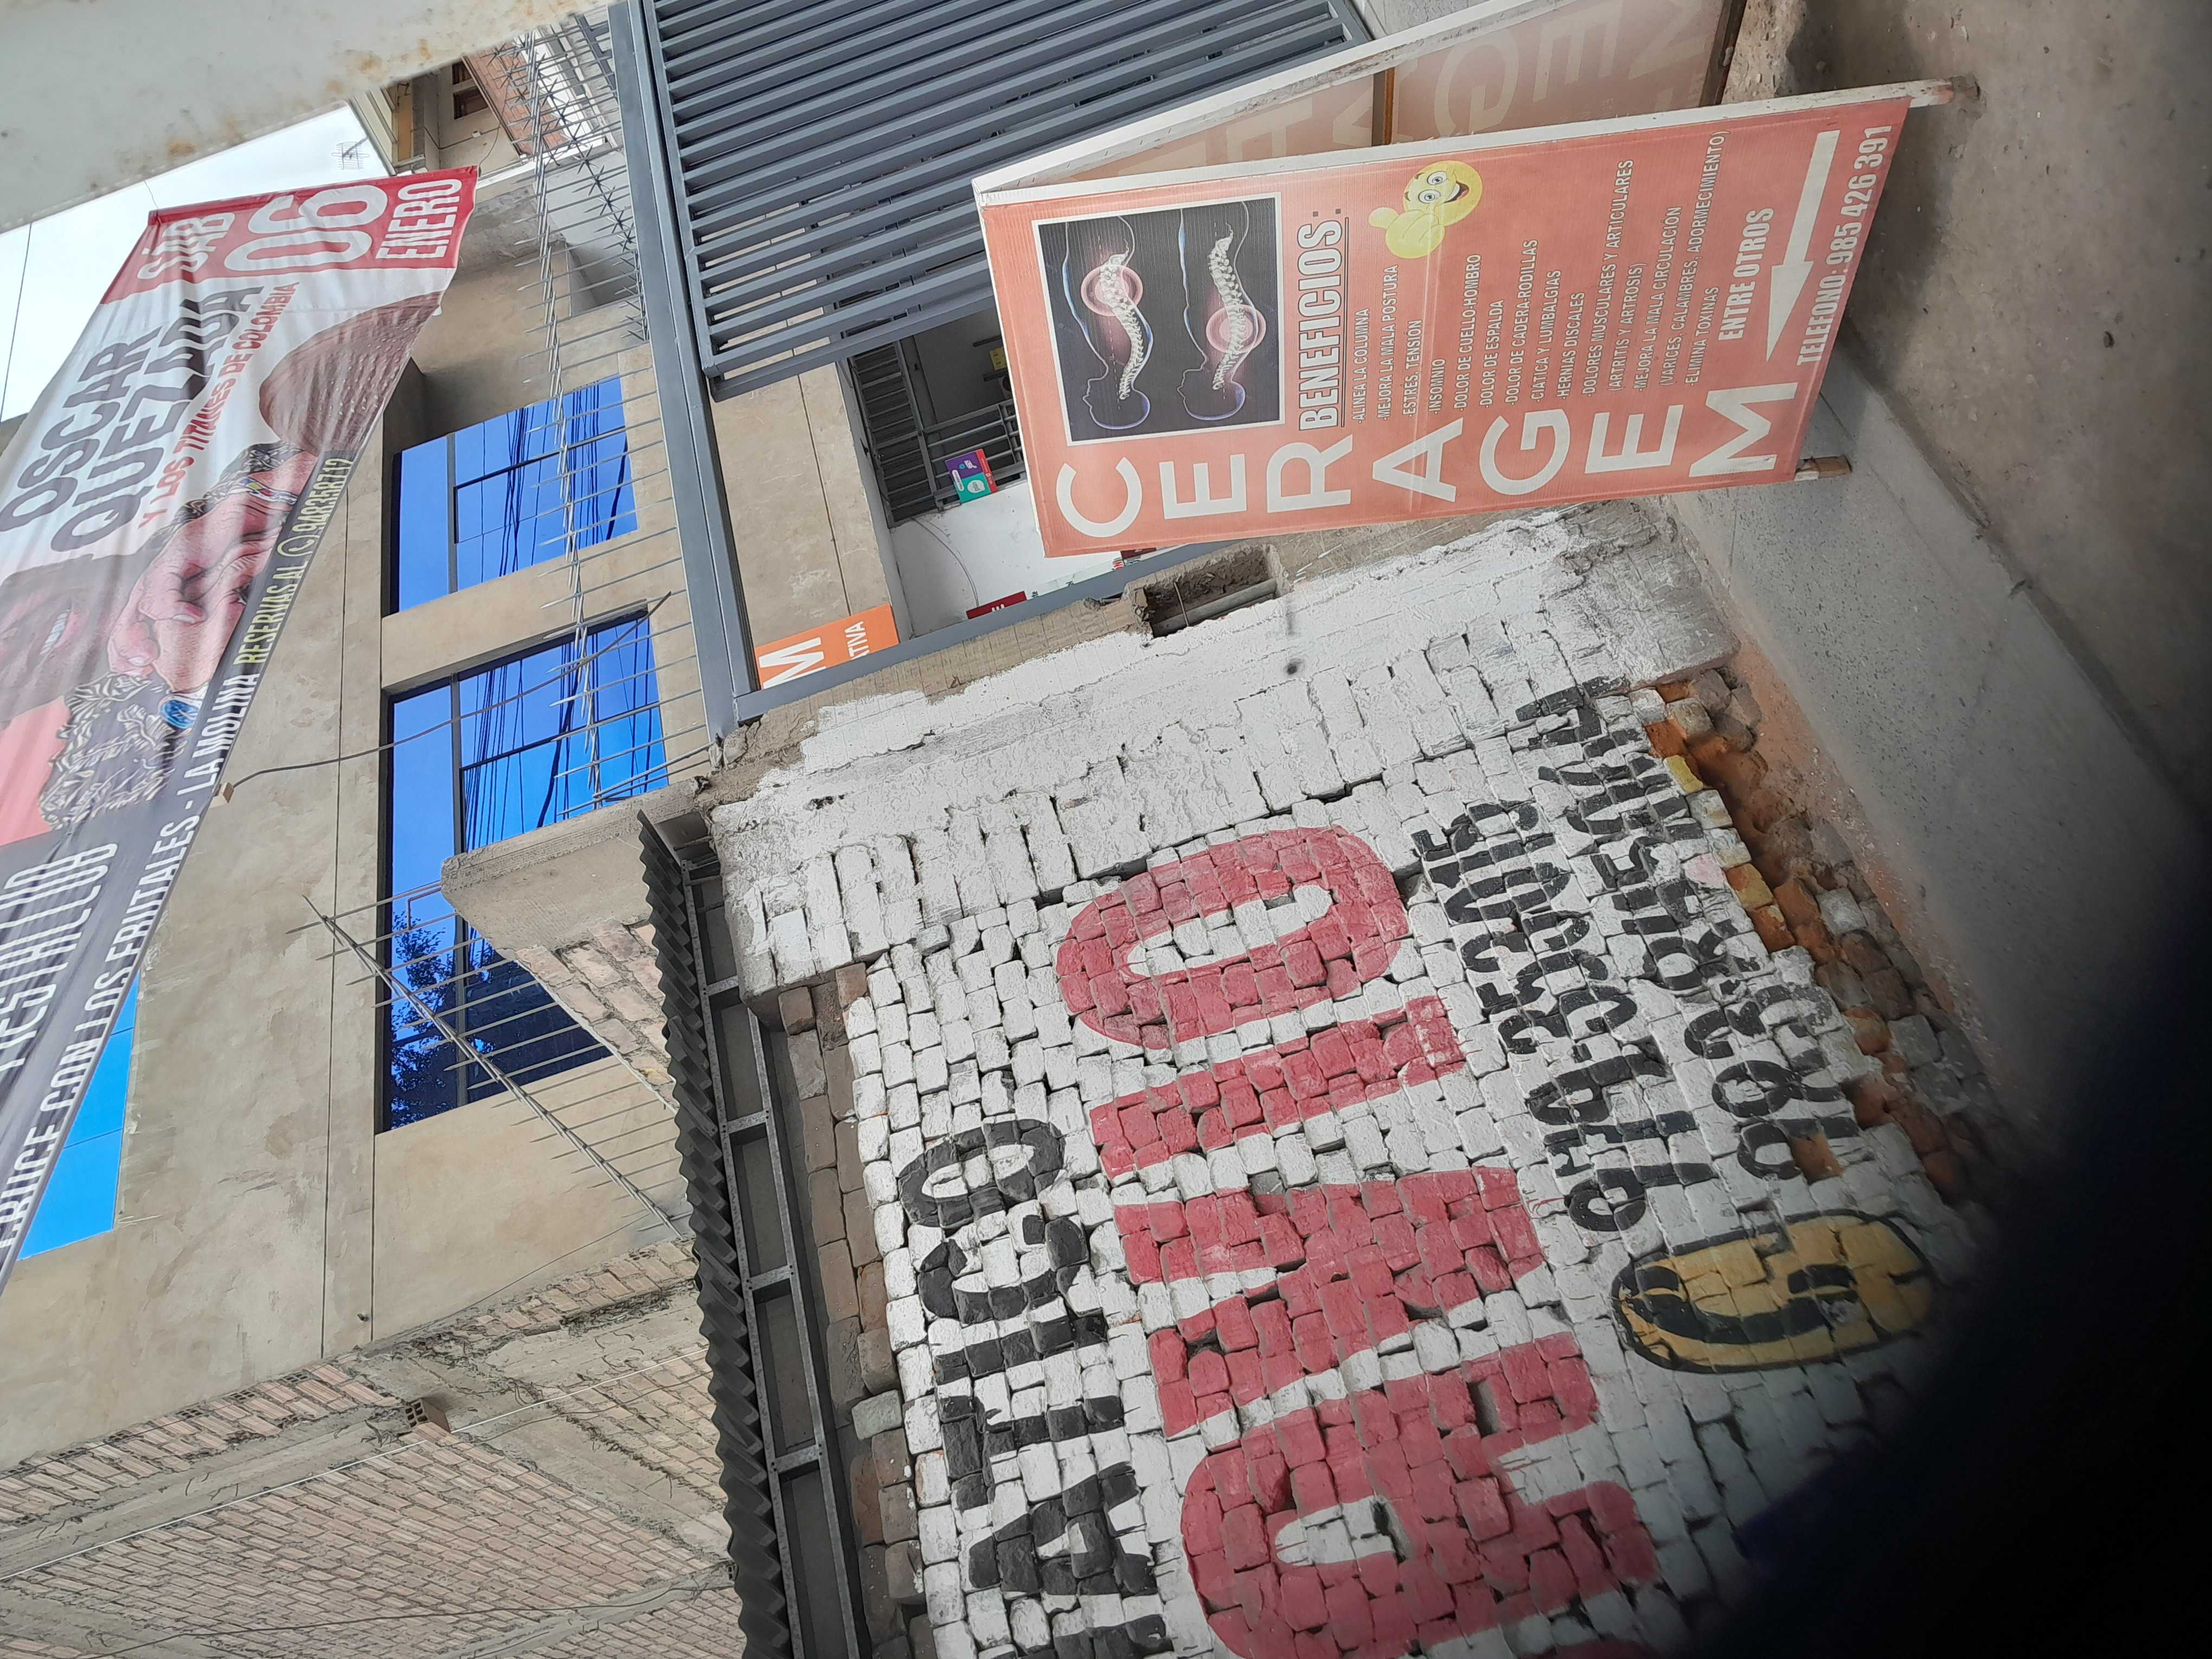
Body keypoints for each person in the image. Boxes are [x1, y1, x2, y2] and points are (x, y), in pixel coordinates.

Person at [0, 442, 312, 846]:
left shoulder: (225, 483)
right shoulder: (85, 782)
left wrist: (260, 499)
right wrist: (192, 691)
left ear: (39, 574)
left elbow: (344, 419)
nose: (7, 641)